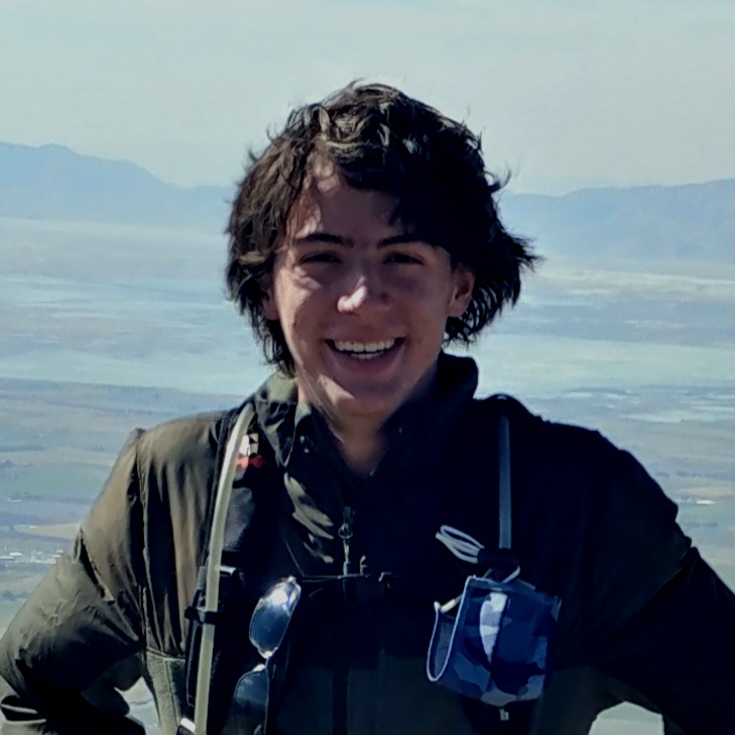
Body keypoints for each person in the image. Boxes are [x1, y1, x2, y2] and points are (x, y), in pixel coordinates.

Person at [0, 82, 733, 735]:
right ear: (267, 286)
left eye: (402, 257)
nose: (360, 298)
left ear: (459, 285)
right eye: (321, 257)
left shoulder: (575, 505)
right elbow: (28, 688)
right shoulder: (173, 487)